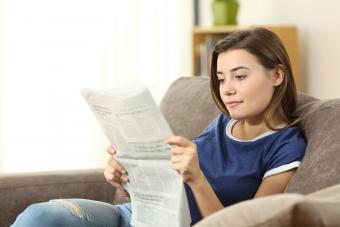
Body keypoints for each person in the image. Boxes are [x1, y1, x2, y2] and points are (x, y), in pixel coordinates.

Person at [11, 27, 306, 227]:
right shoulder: (222, 124)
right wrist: (127, 177)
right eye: (221, 77)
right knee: (40, 216)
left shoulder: (285, 147)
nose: (227, 89)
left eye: (239, 76)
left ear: (277, 74)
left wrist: (197, 179)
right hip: (132, 216)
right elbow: (165, 185)